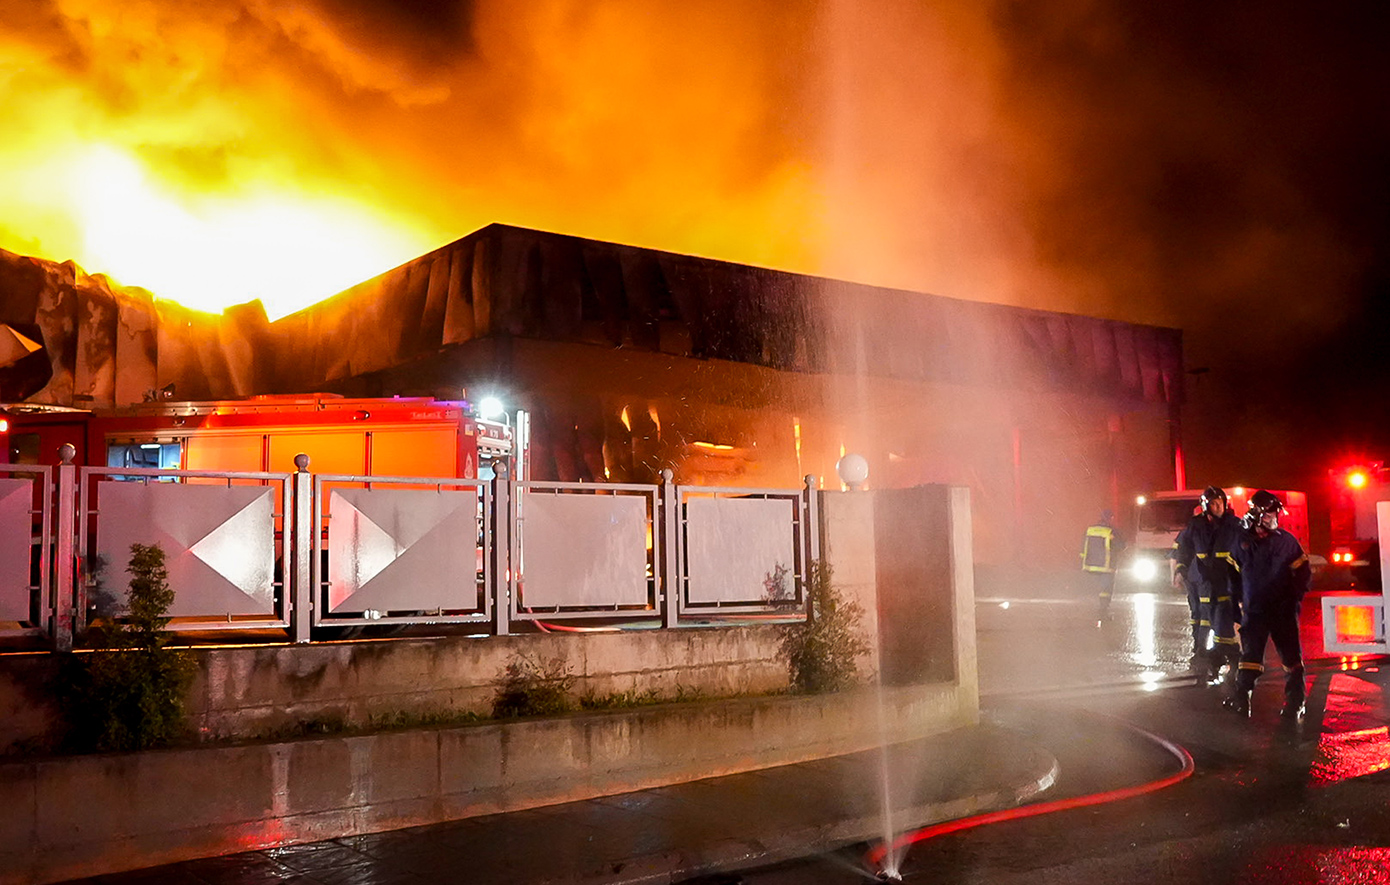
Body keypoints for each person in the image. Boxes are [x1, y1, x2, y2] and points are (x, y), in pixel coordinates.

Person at [1224, 490, 1312, 720]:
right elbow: (1232, 578)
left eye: (1275, 514)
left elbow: (1303, 572)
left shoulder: (1286, 541)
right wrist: (1236, 611)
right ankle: (1241, 699)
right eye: (1270, 515)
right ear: (1256, 514)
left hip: (1282, 611)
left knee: (1291, 659)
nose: (1275, 519)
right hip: (1254, 611)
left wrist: (1294, 599)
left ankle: (1295, 703)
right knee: (1250, 657)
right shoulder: (1241, 542)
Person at [1171, 486, 1243, 684]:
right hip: (1203, 580)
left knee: (1224, 620)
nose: (1218, 507)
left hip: (1226, 580)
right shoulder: (1196, 525)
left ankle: (1227, 657)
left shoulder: (1234, 524)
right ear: (1205, 506)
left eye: (1220, 502)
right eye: (1213, 503)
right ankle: (1207, 652)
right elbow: (1184, 548)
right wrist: (1181, 569)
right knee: (1205, 615)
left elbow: (1245, 548)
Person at [1081, 509, 1125, 622]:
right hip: (1107, 565)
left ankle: (1089, 611)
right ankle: (1103, 610)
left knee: (1094, 587)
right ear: (1111, 518)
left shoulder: (1089, 529)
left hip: (1090, 565)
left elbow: (1083, 546)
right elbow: (1121, 546)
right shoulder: (1112, 531)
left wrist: (1082, 560)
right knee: (1106, 589)